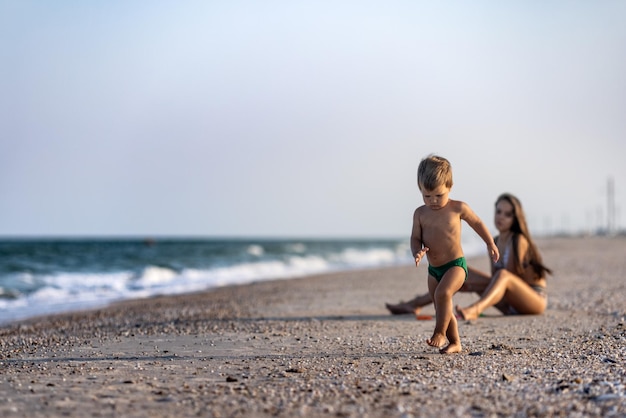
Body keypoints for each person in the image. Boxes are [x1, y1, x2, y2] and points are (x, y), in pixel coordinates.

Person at [386, 193, 551, 321]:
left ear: (516, 219)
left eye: (507, 214)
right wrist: (469, 283)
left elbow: (508, 278)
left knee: (500, 276)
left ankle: (475, 310)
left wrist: (476, 285)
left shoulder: (518, 240)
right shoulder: (495, 241)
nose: (501, 217)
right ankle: (414, 305)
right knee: (460, 271)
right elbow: (496, 281)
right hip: (509, 303)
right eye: (499, 211)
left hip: (532, 301)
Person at [411, 155, 499, 354]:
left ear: (449, 186)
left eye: (438, 195)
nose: (433, 201)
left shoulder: (458, 208)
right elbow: (415, 238)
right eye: (427, 196)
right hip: (434, 270)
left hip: (455, 266)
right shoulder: (420, 214)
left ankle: (439, 333)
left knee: (443, 294)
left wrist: (490, 242)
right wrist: (417, 251)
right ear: (420, 190)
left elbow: (477, 222)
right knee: (442, 306)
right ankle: (455, 343)